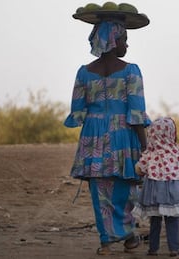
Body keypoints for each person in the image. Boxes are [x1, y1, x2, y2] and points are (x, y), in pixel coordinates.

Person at [64, 7, 151, 255]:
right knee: (125, 185)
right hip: (123, 134)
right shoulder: (131, 71)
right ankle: (128, 236)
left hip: (93, 135)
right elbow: (136, 113)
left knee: (100, 190)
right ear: (113, 40)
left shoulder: (83, 72)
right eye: (124, 39)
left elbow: (78, 111)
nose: (127, 45)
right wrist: (145, 146)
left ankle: (106, 241)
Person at [132, 117, 179, 257]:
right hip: (173, 192)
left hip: (154, 192)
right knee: (173, 221)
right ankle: (174, 249)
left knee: (155, 221)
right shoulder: (177, 152)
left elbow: (139, 169)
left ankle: (153, 249)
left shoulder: (150, 154)